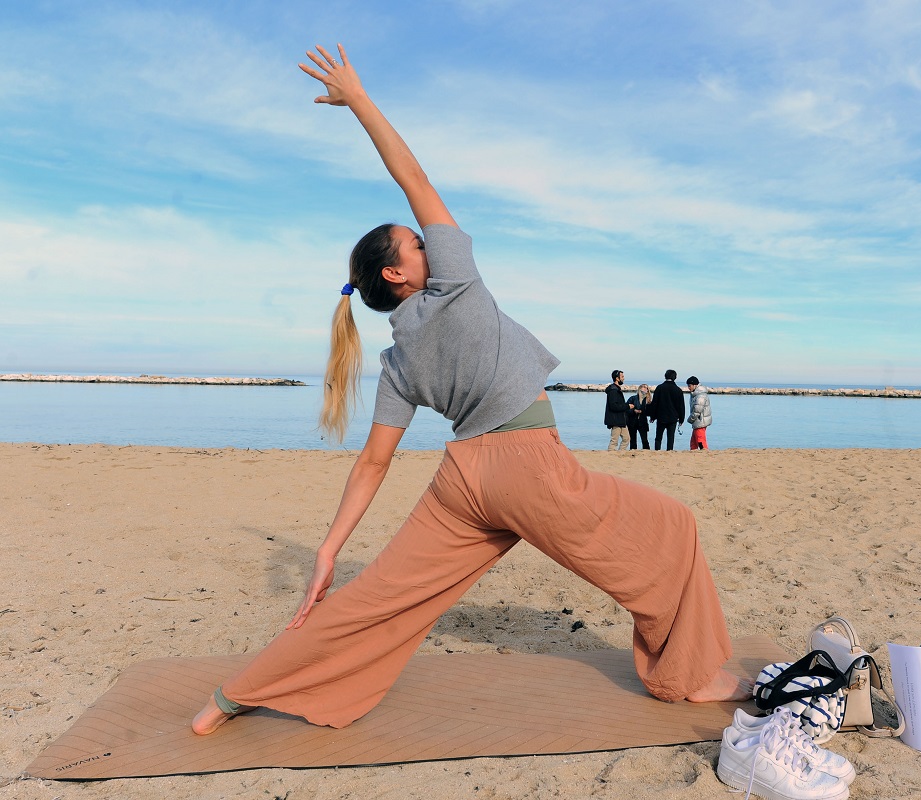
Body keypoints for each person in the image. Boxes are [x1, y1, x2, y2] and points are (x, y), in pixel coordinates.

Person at [191, 44, 747, 735]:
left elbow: (373, 463)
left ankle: (229, 697)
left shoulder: (397, 358)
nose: (431, 243)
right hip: (527, 468)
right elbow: (414, 176)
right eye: (416, 245)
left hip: (464, 484)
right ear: (397, 274)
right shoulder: (453, 284)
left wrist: (331, 549)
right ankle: (689, 678)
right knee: (672, 528)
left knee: (380, 599)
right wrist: (359, 101)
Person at [649, 370, 686, 451]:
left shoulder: (659, 388)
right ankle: (669, 451)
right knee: (671, 437)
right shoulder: (678, 390)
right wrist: (681, 419)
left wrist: (652, 416)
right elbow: (681, 406)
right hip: (673, 417)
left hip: (661, 416)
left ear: (665, 376)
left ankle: (657, 451)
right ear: (675, 377)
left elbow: (654, 403)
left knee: (658, 437)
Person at [604, 369, 630, 451]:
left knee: (626, 439)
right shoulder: (613, 390)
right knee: (614, 440)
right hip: (615, 420)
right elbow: (614, 406)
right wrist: (627, 406)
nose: (623, 378)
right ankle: (611, 454)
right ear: (617, 378)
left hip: (621, 419)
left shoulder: (617, 389)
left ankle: (620, 453)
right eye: (622, 376)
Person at [686, 376, 712, 450]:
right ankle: (693, 451)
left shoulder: (700, 396)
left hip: (700, 421)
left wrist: (690, 419)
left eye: (689, 386)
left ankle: (703, 452)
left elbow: (697, 410)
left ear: (694, 385)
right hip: (698, 421)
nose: (688, 387)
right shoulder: (695, 394)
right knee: (693, 441)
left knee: (700, 440)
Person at [627, 383, 652, 450]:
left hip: (642, 422)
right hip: (632, 421)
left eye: (646, 388)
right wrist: (634, 410)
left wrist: (644, 412)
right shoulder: (633, 398)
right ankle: (633, 451)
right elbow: (627, 408)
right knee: (632, 440)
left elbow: (650, 411)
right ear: (640, 388)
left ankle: (646, 452)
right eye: (643, 387)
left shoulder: (648, 400)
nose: (645, 389)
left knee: (645, 440)